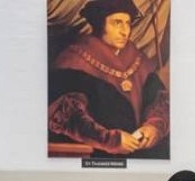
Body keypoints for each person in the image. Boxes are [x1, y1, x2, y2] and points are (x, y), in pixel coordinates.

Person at [48, 0, 169, 159]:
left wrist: (154, 126)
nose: (125, 31)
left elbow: (159, 100)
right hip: (96, 156)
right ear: (100, 24)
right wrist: (110, 140)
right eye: (117, 23)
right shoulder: (73, 60)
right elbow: (68, 117)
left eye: (127, 23)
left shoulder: (140, 60)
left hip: (141, 156)